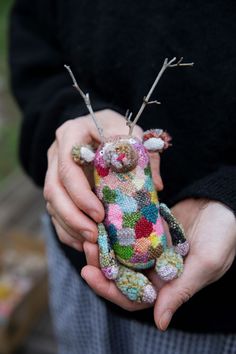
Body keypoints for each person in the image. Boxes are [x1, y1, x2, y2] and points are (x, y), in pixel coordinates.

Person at [9, 0, 236, 353]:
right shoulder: (108, 175)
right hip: (77, 278)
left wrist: (230, 193)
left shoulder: (145, 174)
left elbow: (164, 216)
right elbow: (33, 39)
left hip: (217, 316)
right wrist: (63, 113)